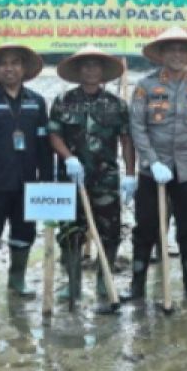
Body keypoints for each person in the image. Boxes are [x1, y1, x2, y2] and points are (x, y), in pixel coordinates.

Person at [127, 27, 187, 303]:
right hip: (152, 171)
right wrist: (151, 161)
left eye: (182, 50)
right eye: (171, 50)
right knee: (146, 227)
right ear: (162, 54)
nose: (177, 55)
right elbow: (137, 127)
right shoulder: (145, 86)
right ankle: (137, 285)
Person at [0, 44, 54, 309]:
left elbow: (43, 146)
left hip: (27, 183)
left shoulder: (36, 102)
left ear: (24, 69)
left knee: (25, 231)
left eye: (15, 62)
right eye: (3, 63)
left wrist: (46, 181)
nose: (9, 68)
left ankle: (17, 280)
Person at [48, 45, 136, 313]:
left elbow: (126, 139)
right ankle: (72, 283)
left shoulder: (117, 105)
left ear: (103, 72)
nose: (90, 70)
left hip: (105, 178)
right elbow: (54, 135)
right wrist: (68, 158)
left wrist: (130, 174)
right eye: (85, 66)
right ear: (77, 71)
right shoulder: (63, 101)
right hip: (70, 179)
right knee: (70, 233)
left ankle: (103, 281)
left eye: (95, 66)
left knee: (109, 232)